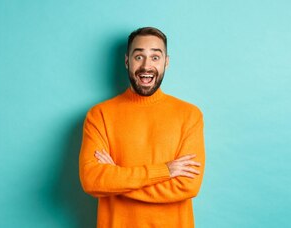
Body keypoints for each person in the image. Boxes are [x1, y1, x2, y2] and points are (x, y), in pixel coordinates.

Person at [78, 27, 206, 227]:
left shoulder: (189, 115)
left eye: (155, 57)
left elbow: (187, 186)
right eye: (139, 57)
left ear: (166, 62)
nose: (147, 66)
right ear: (127, 61)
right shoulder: (100, 115)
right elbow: (92, 180)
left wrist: (116, 179)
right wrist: (164, 171)